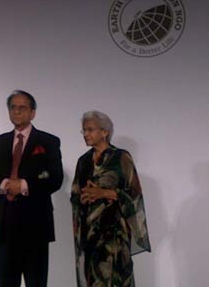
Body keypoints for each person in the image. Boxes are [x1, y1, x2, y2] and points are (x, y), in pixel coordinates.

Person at [0, 90, 63, 287]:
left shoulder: (48, 142)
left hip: (35, 226)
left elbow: (55, 178)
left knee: (36, 283)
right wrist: (5, 185)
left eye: (22, 107)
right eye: (13, 107)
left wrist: (23, 185)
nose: (17, 111)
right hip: (4, 226)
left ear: (32, 113)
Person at [71, 111, 151, 287]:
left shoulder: (121, 158)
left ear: (104, 132)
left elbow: (134, 194)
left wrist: (105, 193)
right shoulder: (83, 161)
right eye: (84, 130)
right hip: (90, 235)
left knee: (117, 279)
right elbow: (75, 196)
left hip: (115, 234)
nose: (86, 134)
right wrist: (83, 196)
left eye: (90, 129)